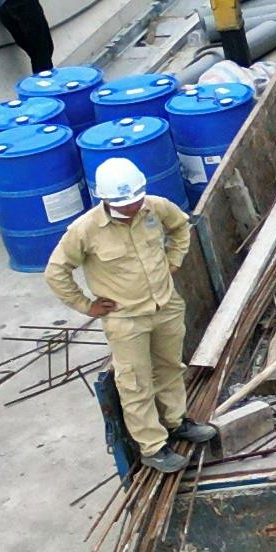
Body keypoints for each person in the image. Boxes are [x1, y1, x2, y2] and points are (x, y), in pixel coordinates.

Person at [43, 155, 208, 472]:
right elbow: (56, 271)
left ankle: (176, 422)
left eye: (135, 201)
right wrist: (86, 305)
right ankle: (153, 446)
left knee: (170, 367)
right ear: (105, 200)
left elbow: (180, 227)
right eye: (124, 205)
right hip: (126, 319)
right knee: (135, 382)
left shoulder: (154, 207)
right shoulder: (85, 231)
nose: (132, 209)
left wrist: (173, 261)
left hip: (165, 306)